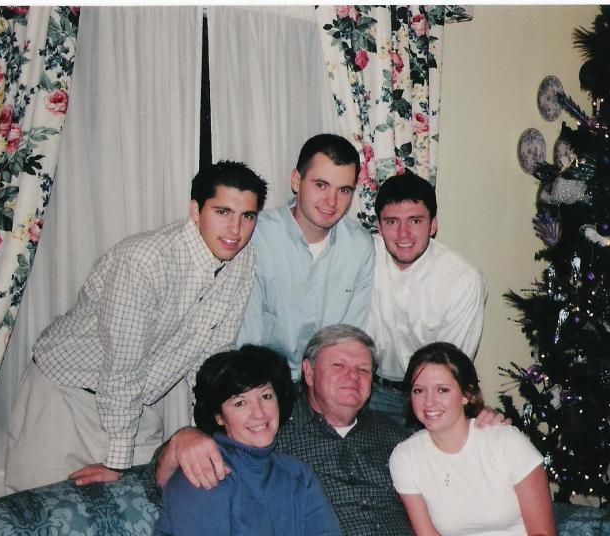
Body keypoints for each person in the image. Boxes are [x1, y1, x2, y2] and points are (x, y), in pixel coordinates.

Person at [5, 161, 268, 491]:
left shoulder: (242, 259)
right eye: (222, 212)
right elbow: (122, 365)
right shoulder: (145, 261)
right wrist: (117, 460)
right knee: (45, 511)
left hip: (134, 405)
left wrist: (206, 428)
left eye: (247, 216)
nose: (235, 229)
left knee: (149, 504)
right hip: (63, 398)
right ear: (195, 210)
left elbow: (211, 358)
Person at [154, 325, 507, 535]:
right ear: (308, 373)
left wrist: (479, 420)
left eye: (363, 369)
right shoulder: (274, 435)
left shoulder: (398, 437)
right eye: (339, 365)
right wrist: (181, 440)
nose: (353, 377)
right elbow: (163, 482)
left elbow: (459, 470)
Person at [154, 345, 340, 536]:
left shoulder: (299, 474)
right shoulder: (204, 471)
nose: (259, 413)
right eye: (240, 403)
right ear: (219, 416)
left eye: (266, 396)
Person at [235, 134, 374, 381]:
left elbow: (349, 339)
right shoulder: (257, 236)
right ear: (296, 181)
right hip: (263, 380)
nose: (332, 201)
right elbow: (248, 338)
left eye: (344, 190)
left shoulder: (360, 246)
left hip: (326, 382)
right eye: (321, 185)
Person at [389, 342, 556, 536]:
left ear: (466, 395)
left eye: (442, 390)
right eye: (419, 390)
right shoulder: (405, 457)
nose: (429, 401)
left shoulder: (506, 441)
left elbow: (543, 533)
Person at [368, 173, 487, 423]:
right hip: (366, 390)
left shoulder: (461, 280)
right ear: (378, 226)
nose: (403, 233)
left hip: (427, 395)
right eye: (392, 221)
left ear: (432, 225)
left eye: (415, 220)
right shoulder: (363, 257)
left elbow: (450, 369)